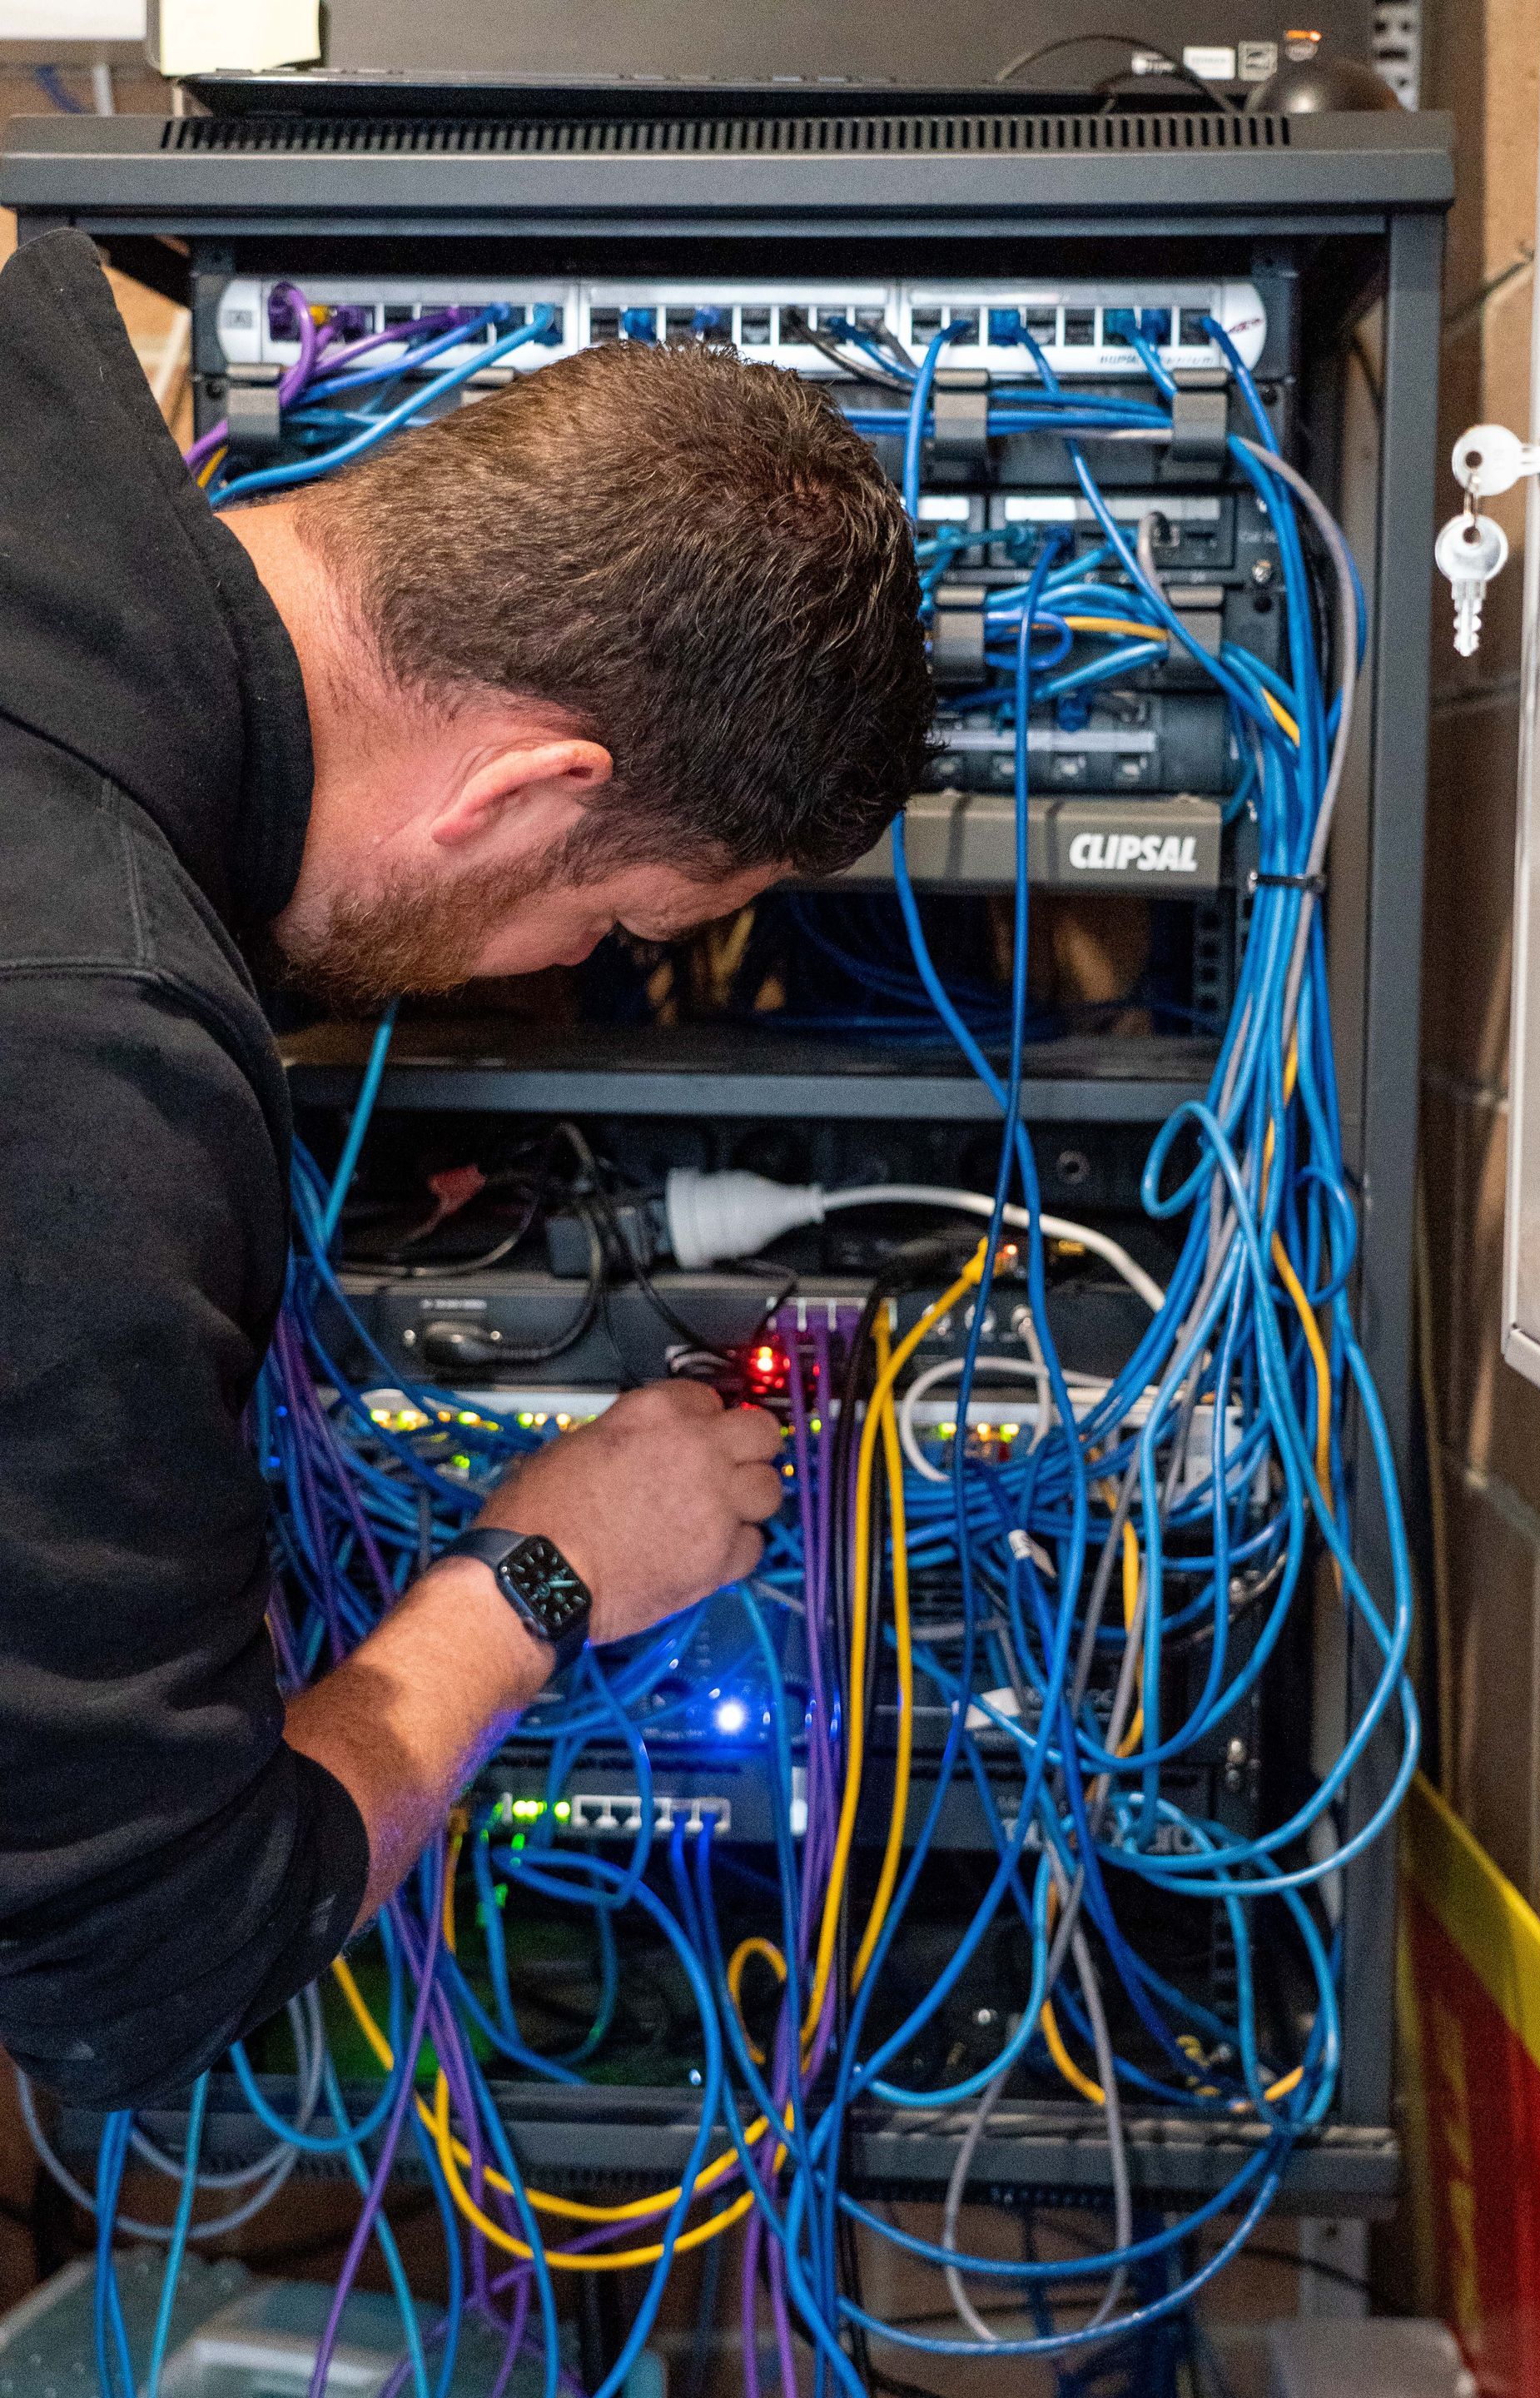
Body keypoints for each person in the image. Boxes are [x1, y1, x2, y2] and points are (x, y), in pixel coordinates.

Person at [0, 230, 934, 2104]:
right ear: (520, 792)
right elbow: (141, 1954)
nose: (570, 970)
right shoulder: (85, 1048)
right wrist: (540, 1576)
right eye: (609, 920)